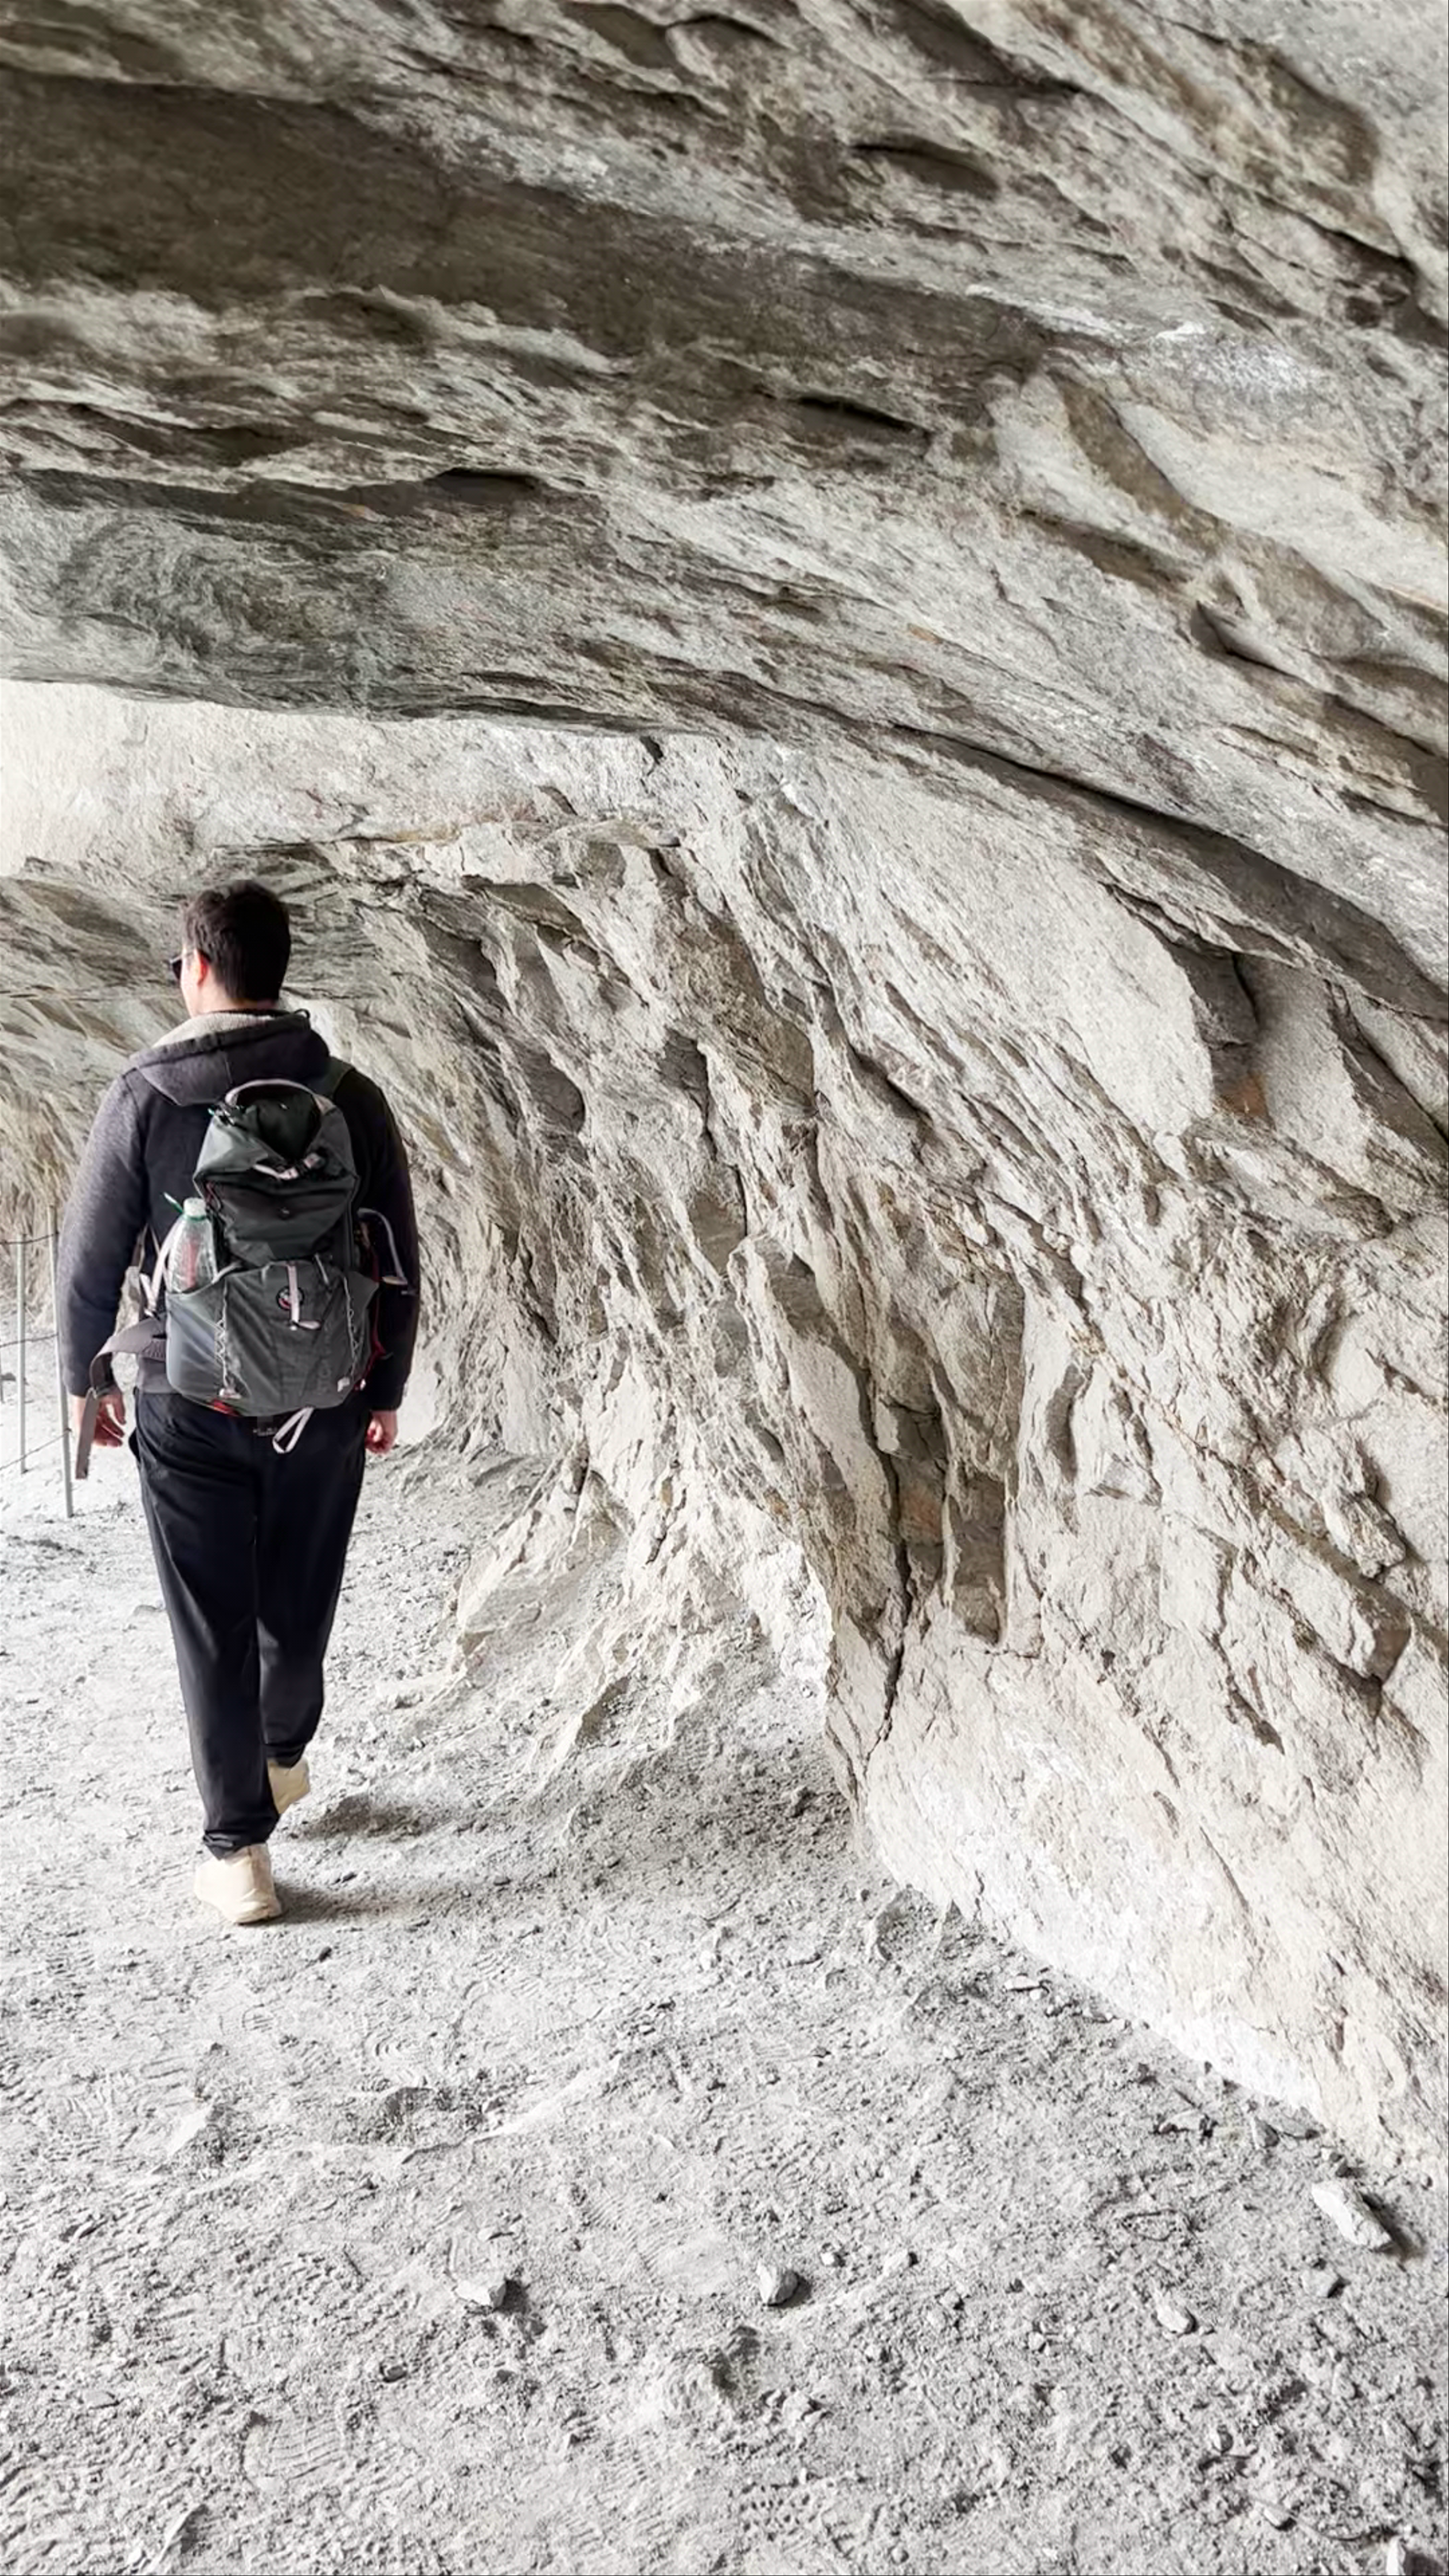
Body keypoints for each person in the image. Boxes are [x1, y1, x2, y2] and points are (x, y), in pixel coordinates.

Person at [57, 881, 418, 1928]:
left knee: (210, 1619)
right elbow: (395, 1258)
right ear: (279, 967)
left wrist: (92, 1384)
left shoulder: (147, 1092)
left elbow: (89, 1266)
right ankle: (284, 1754)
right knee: (300, 1589)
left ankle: (239, 1855)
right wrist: (383, 1389)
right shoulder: (352, 1093)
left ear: (200, 968)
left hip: (186, 1394)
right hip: (328, 1395)